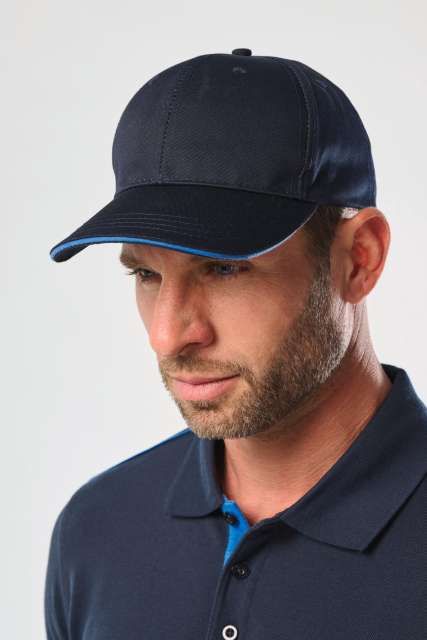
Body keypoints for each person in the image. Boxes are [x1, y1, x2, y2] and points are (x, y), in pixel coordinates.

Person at [45, 49, 427, 639]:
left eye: (224, 269)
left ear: (359, 258)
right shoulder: (96, 532)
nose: (168, 336)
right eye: (145, 274)